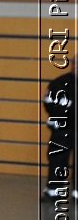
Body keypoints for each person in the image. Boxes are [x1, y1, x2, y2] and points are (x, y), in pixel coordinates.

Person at [45, 66, 72, 201]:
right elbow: (48, 103)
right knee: (58, 159)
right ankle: (53, 192)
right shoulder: (59, 83)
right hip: (62, 129)